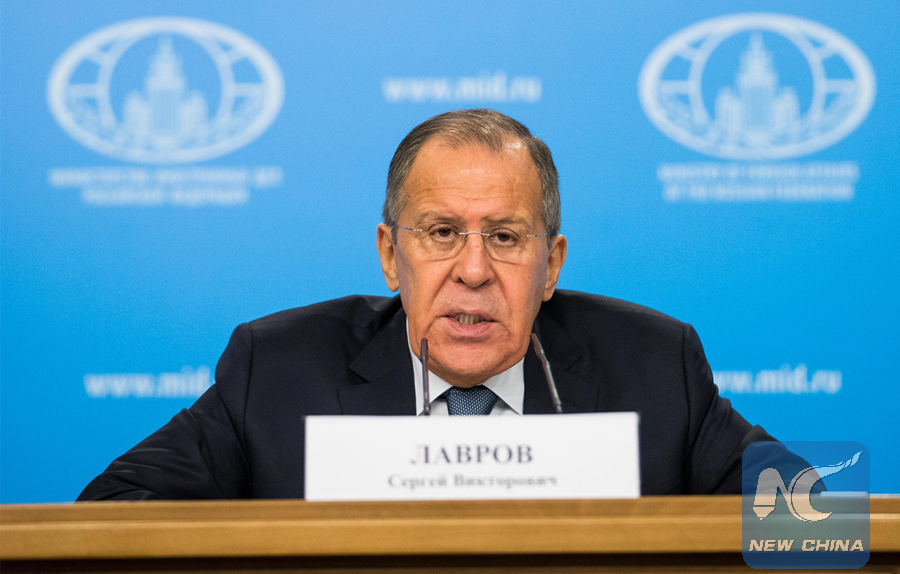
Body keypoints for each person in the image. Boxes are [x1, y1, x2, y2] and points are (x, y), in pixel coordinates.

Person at [79, 108, 776, 500]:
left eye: (505, 237)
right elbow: (107, 518)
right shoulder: (278, 371)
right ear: (390, 254)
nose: (473, 271)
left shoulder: (654, 366)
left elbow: (811, 521)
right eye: (441, 233)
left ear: (551, 266)